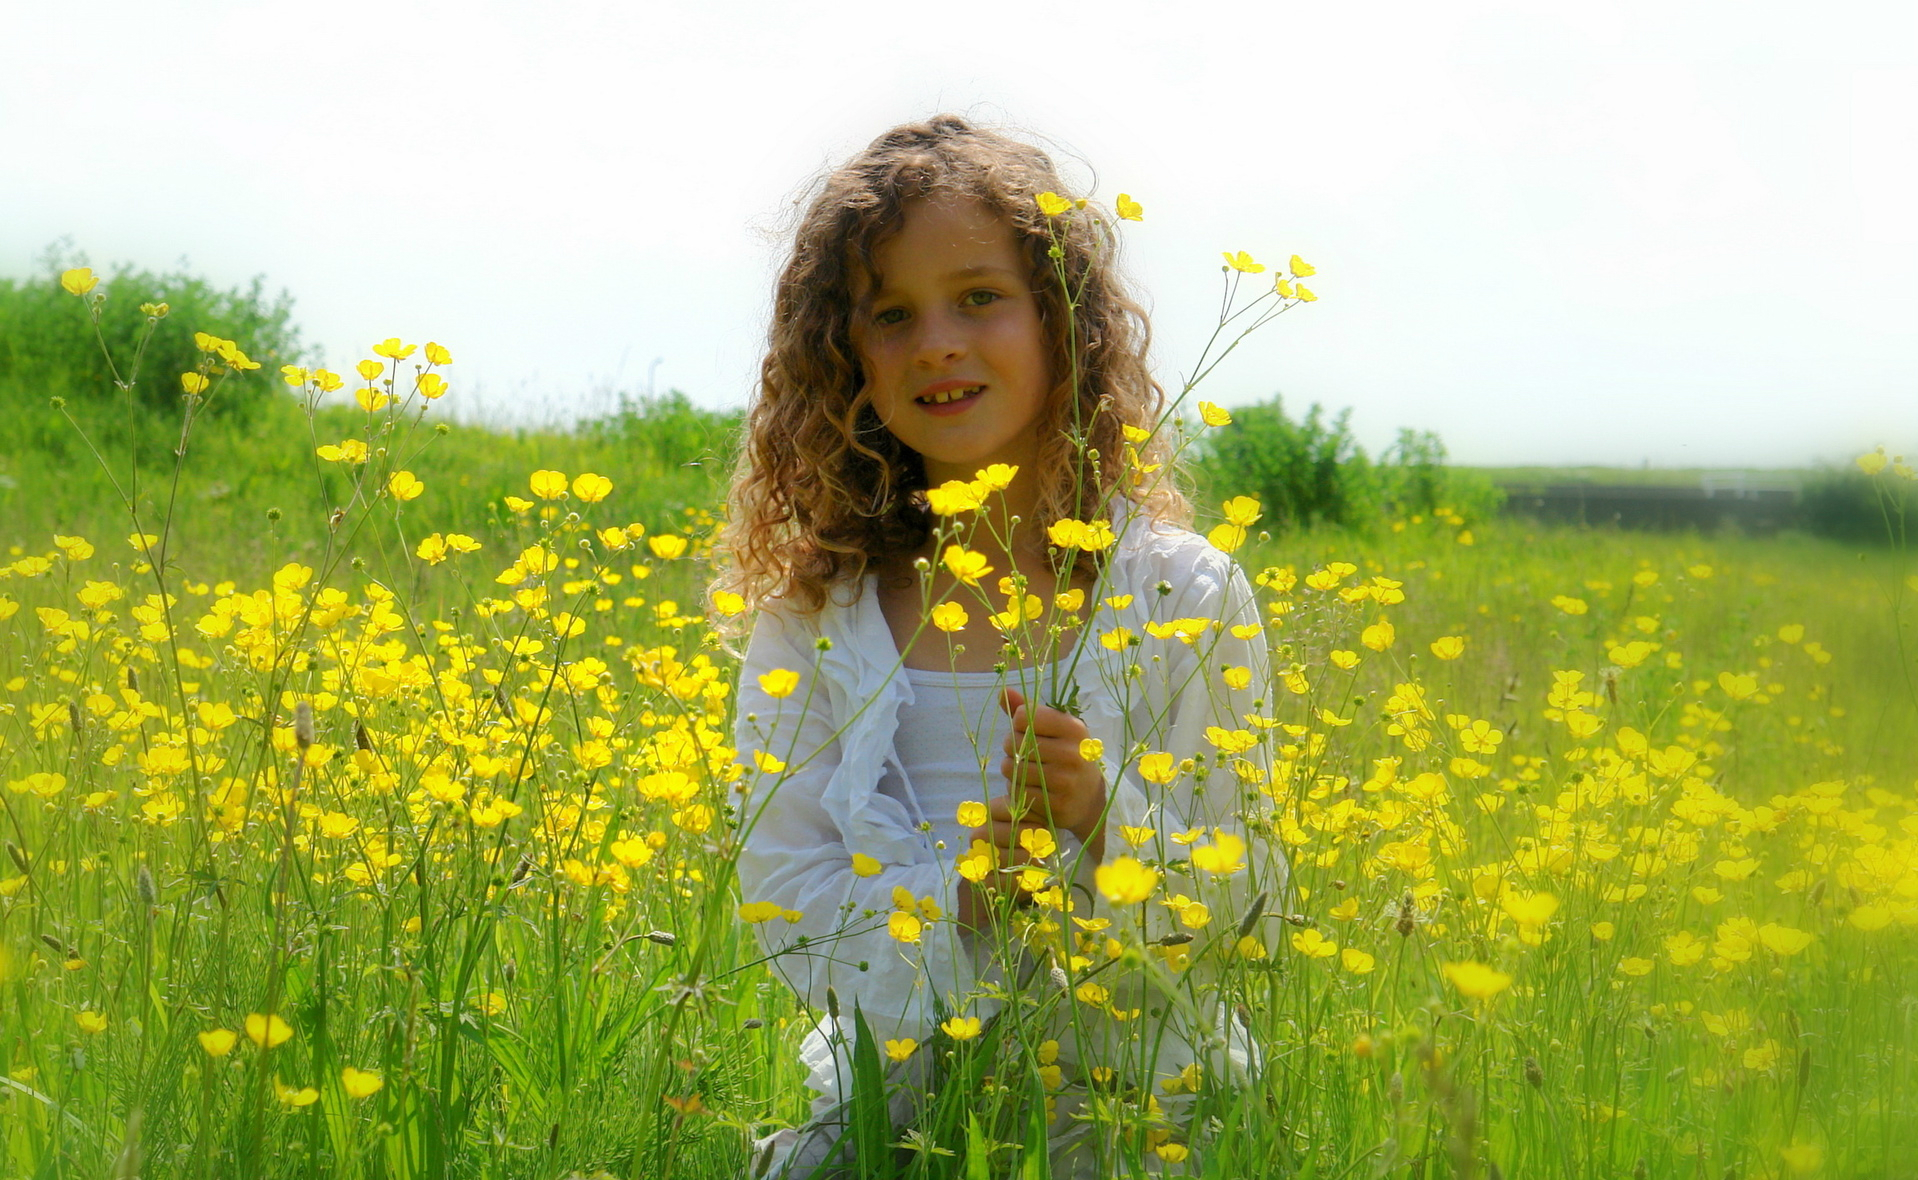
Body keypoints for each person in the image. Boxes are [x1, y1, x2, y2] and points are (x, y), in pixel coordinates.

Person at [714, 114, 1288, 1179]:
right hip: (901, 1114)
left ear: (1064, 325)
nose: (937, 339)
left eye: (979, 296)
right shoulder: (816, 618)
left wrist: (1099, 808)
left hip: (1140, 1111)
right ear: (844, 358)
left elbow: (1251, 902)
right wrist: (965, 891)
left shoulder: (1182, 592)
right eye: (891, 313)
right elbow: (784, 899)